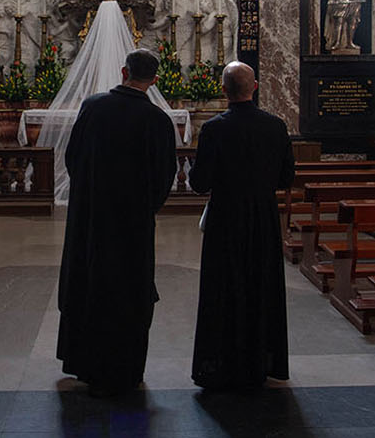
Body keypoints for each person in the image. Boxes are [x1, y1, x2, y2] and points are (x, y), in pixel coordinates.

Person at [58, 47, 178, 396]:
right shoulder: (158, 120)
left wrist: (89, 196)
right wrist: (144, 208)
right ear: (154, 80)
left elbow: (73, 159)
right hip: (133, 225)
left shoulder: (93, 107)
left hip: (91, 219)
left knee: (88, 280)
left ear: (124, 73)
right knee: (130, 289)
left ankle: (83, 362)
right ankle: (125, 367)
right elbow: (164, 175)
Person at [188, 61, 295, 389]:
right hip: (262, 217)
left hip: (225, 218)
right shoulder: (276, 126)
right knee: (260, 285)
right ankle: (260, 361)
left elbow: (200, 182)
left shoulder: (214, 129)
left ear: (223, 90)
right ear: (256, 87)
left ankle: (221, 364)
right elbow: (286, 178)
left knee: (224, 288)